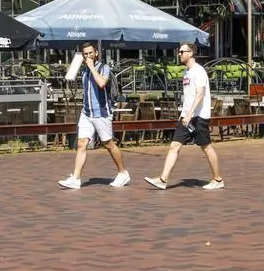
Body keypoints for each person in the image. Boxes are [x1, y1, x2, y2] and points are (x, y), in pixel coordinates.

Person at [146, 42, 223, 190]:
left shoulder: (199, 71)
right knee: (174, 145)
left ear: (191, 53)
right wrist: (184, 115)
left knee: (206, 147)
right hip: (186, 117)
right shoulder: (187, 72)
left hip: (198, 117)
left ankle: (218, 179)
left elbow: (199, 95)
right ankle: (163, 179)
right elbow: (189, 96)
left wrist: (190, 114)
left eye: (182, 52)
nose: (179, 54)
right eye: (179, 52)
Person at [59, 41, 129, 189]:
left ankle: (123, 172)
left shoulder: (104, 68)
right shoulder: (84, 70)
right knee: (81, 143)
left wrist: (91, 67)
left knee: (108, 144)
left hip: (101, 113)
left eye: (91, 53)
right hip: (86, 113)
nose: (88, 56)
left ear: (96, 53)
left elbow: (102, 83)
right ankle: (76, 178)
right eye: (85, 54)